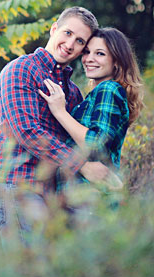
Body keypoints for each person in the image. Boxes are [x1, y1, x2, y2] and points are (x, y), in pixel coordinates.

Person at [0, 7, 111, 244]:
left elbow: (81, 140)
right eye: (67, 33)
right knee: (30, 271)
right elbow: (27, 131)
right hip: (17, 185)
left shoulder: (72, 92)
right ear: (54, 29)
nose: (70, 44)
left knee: (51, 273)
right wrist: (82, 166)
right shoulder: (21, 70)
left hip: (49, 195)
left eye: (80, 41)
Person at [39, 27, 144, 195]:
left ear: (116, 61)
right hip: (76, 197)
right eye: (87, 52)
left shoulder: (109, 89)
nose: (89, 59)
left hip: (90, 198)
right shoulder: (92, 96)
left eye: (100, 54)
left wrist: (60, 112)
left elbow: (96, 146)